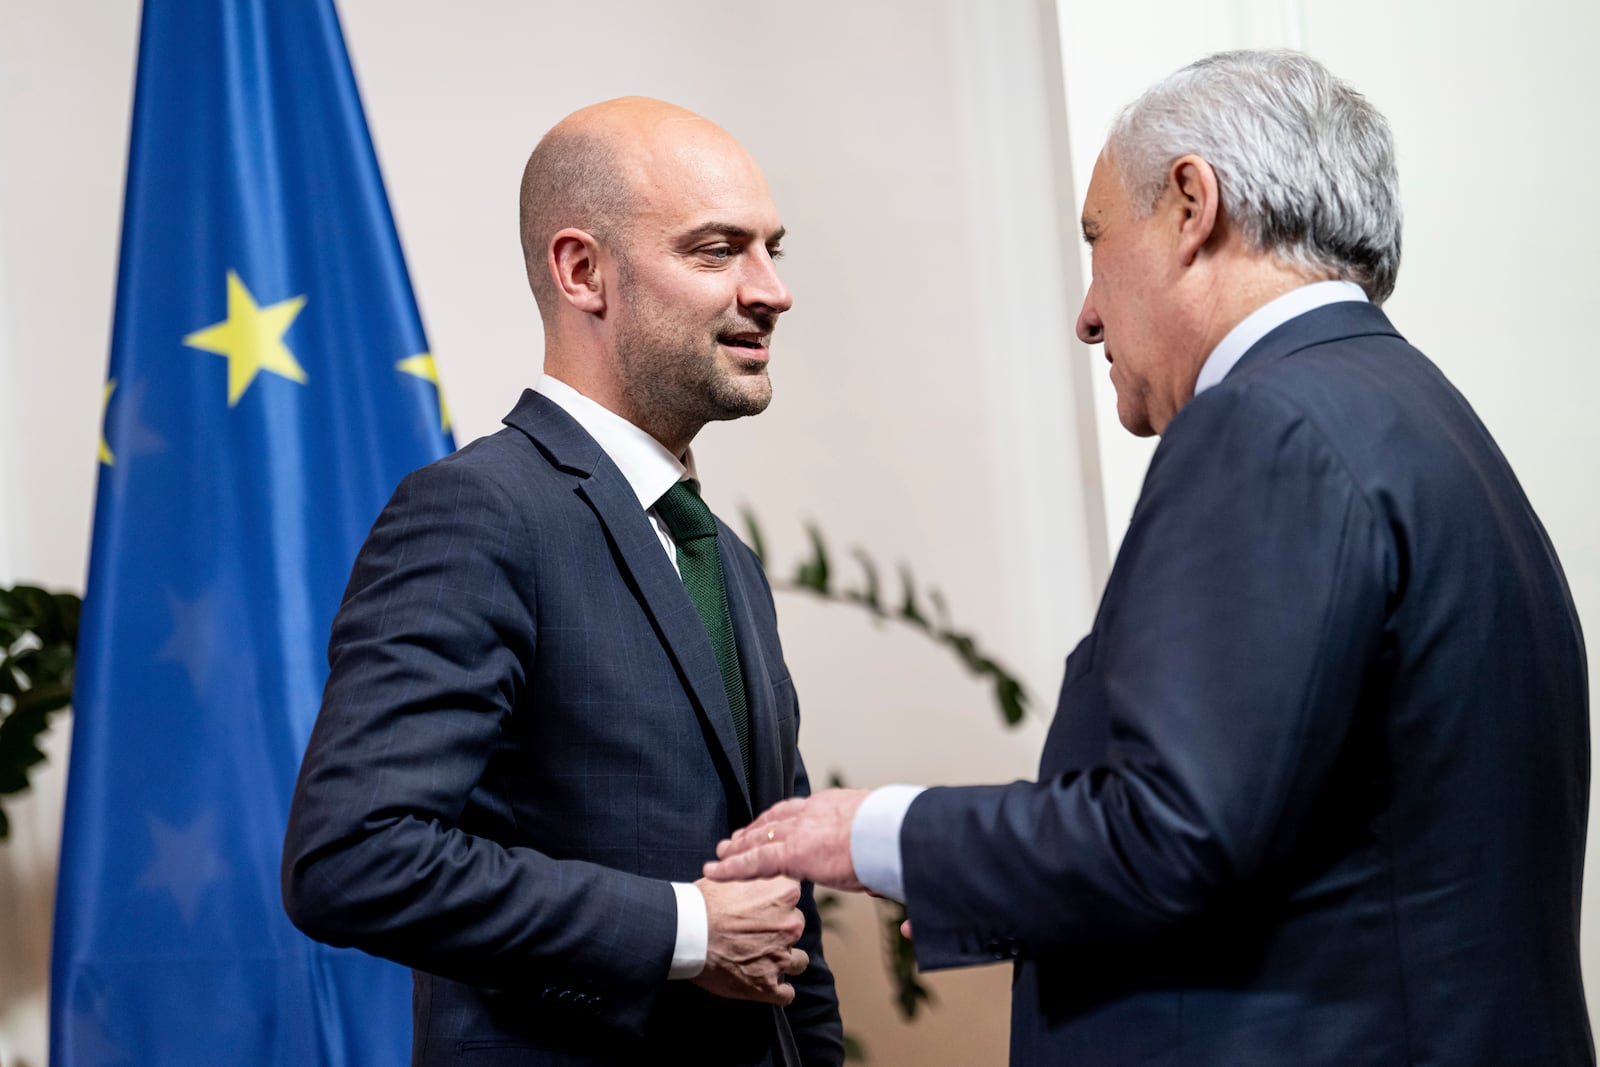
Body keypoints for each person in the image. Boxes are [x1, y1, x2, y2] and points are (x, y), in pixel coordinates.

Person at [705, 49, 1593, 1066]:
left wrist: (876, 833)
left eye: (1095, 241)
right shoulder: (1423, 417)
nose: (1085, 313)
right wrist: (1007, 886)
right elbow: (1303, 838)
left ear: (1189, 205)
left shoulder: (1261, 423)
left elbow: (1173, 834)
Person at [282, 97, 843, 1067]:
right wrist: (684, 929)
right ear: (582, 270)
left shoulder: (722, 558)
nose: (771, 289)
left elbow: (778, 906)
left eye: (771, 247)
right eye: (716, 250)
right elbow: (353, 856)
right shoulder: (476, 512)